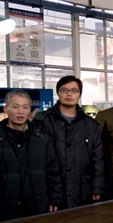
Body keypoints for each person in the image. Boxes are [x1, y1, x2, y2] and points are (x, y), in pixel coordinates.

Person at [0, 90, 61, 222]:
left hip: (37, 209)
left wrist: (55, 198)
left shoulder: (43, 140)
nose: (20, 112)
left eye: (25, 107)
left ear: (30, 110)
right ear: (5, 108)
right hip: (3, 211)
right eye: (15, 107)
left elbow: (52, 173)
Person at [34, 75, 104, 208]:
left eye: (74, 90)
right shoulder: (43, 121)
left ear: (79, 94)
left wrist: (98, 186)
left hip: (82, 188)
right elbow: (36, 160)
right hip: (52, 189)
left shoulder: (90, 124)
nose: (69, 94)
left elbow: (98, 159)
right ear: (58, 93)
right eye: (64, 90)